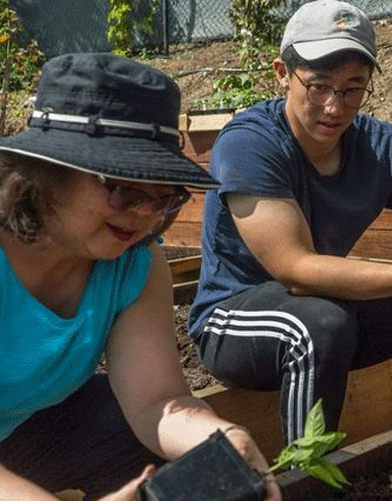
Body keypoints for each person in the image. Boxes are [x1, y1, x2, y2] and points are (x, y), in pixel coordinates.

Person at [188, 0, 392, 444]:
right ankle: (306, 474)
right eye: (318, 86)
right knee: (321, 325)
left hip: (329, 305)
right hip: (235, 319)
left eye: (352, 89)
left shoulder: (381, 148)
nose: (334, 107)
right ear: (283, 73)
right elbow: (296, 271)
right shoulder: (249, 143)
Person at [0, 53, 281, 501]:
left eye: (165, 198)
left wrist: (223, 436)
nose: (146, 215)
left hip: (25, 430)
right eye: (125, 190)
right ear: (49, 171)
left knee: (136, 442)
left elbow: (157, 402)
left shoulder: (134, 264)